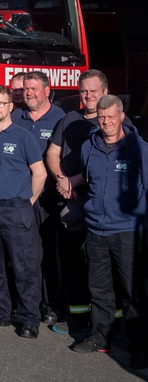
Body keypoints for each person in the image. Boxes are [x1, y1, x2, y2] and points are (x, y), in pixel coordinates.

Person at [64, 95, 148, 369]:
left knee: (133, 292)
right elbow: (88, 178)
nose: (107, 122)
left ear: (122, 115)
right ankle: (101, 337)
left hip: (128, 231)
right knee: (99, 289)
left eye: (112, 116)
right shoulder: (90, 145)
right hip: (95, 230)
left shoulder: (139, 148)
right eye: (102, 118)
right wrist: (67, 182)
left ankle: (140, 347)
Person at [0, 86, 46, 339]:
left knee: (24, 268)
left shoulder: (24, 136)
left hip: (18, 210)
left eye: (0, 103)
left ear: (10, 106)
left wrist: (29, 201)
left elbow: (40, 173)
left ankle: (29, 319)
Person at [47, 70, 116, 333]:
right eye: (84, 90)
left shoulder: (114, 121)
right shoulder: (69, 119)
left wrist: (73, 181)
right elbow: (52, 152)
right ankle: (76, 317)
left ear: (105, 91)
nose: (88, 96)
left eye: (93, 90)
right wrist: (62, 179)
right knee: (71, 261)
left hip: (101, 205)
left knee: (102, 266)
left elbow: (105, 161)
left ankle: (111, 322)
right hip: (71, 202)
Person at [13, 70, 66, 325]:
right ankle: (27, 303)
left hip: (47, 202)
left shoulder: (61, 119)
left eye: (34, 88)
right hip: (20, 200)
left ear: (47, 90)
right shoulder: (15, 117)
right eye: (26, 88)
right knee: (24, 255)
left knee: (50, 254)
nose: (29, 93)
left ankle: (51, 304)